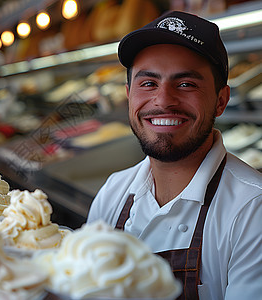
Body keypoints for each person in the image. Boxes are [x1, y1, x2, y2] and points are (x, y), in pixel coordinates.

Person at [86, 11, 261, 299]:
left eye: (186, 84)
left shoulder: (252, 210)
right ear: (129, 95)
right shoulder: (113, 192)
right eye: (148, 83)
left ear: (221, 101)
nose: (164, 100)